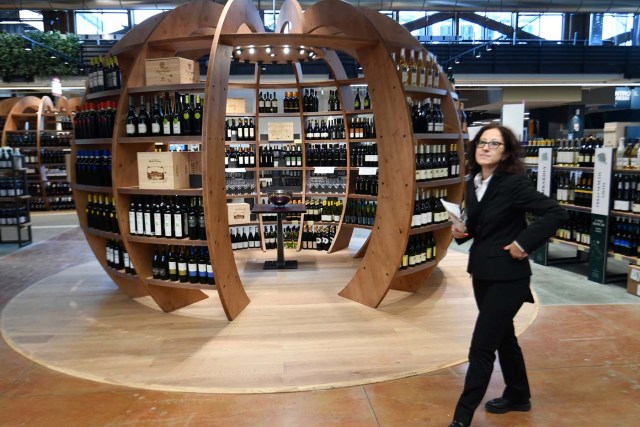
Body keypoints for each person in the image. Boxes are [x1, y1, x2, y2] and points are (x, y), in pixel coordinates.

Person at [449, 124, 568, 427]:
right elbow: (481, 226)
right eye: (482, 142)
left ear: (505, 153)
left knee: (481, 346)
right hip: (482, 273)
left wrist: (524, 243)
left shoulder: (513, 184)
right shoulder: (474, 182)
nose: (485, 147)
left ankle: (461, 418)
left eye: (494, 144)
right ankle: (519, 395)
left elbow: (555, 212)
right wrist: (462, 231)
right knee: (503, 338)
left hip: (509, 278)